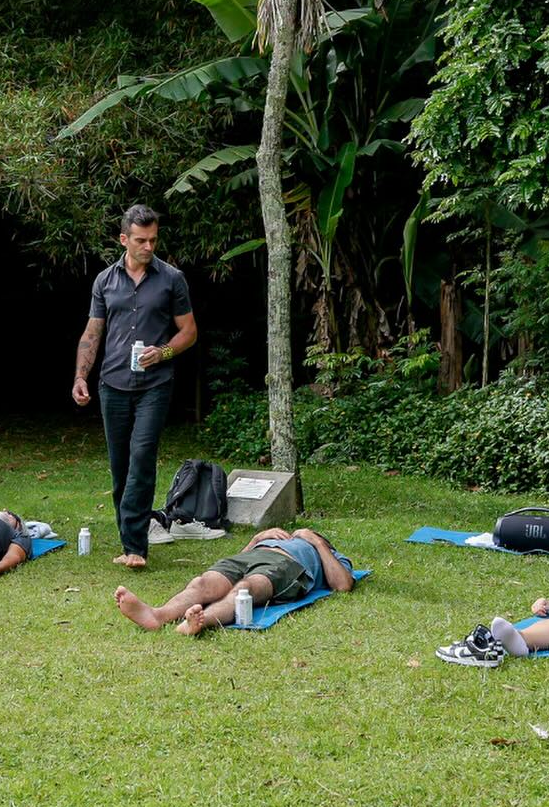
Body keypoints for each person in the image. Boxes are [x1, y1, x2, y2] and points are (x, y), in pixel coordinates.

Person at [72, 205, 197, 570]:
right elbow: (93, 332)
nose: (148, 247)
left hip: (154, 384)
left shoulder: (172, 278)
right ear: (124, 239)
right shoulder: (104, 281)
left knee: (142, 457)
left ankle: (135, 547)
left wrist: (164, 352)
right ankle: (129, 537)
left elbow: (189, 331)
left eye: (153, 240)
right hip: (112, 383)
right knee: (120, 466)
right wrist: (80, 376)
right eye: (141, 240)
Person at [113, 526, 356, 635]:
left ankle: (199, 622)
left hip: (286, 565)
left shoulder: (327, 554)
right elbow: (240, 561)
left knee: (244, 589)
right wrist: (257, 539)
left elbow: (343, 585)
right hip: (250, 556)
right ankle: (157, 615)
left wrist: (316, 541)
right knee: (202, 583)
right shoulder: (273, 538)